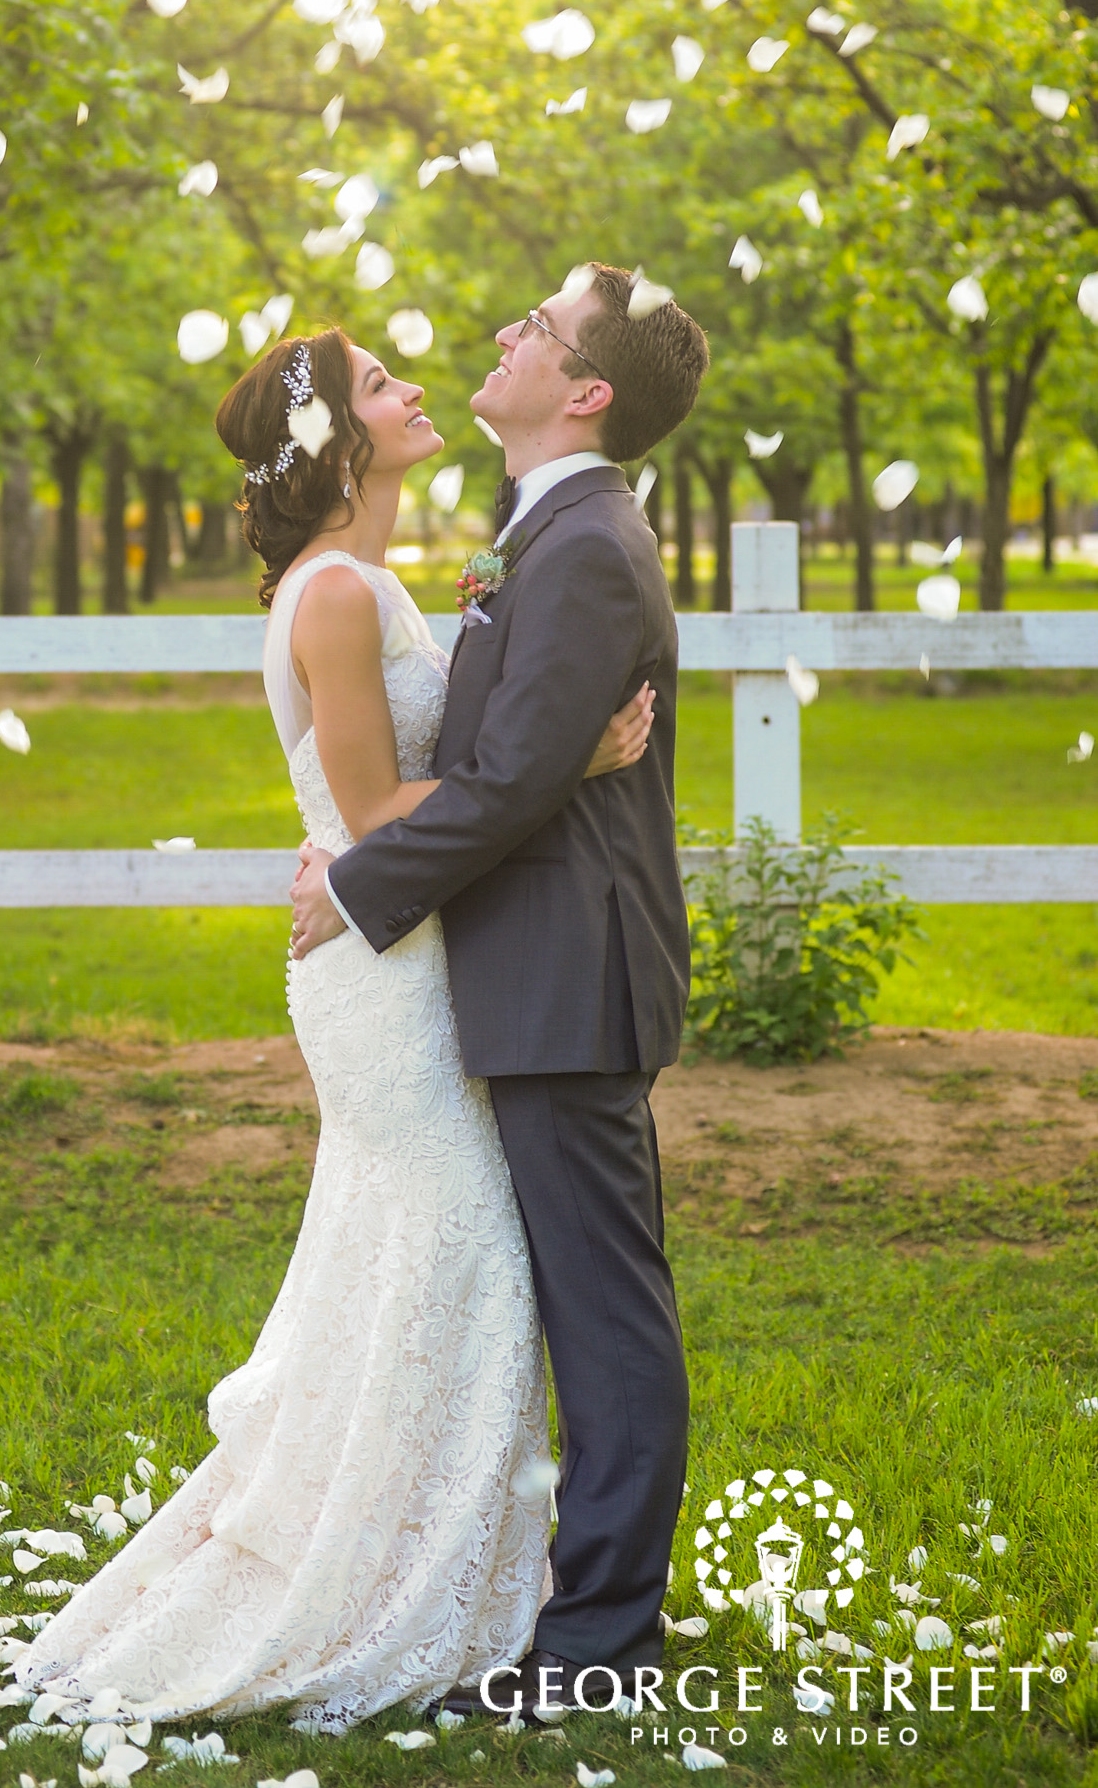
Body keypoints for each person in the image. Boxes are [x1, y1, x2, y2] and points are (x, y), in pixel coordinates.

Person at [11, 320, 654, 1733]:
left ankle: (430, 1560)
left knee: (425, 1258)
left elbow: (404, 798)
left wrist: (517, 770)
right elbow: (371, 817)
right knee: (454, 1252)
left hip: (407, 948)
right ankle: (397, 1580)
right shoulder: (339, 598)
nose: (413, 388)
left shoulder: (366, 580)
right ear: (339, 442)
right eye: (380, 384)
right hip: (386, 973)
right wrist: (566, 763)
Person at [290, 264, 709, 1710]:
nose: (502, 335)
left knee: (607, 1319)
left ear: (585, 391)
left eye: (535, 328)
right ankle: (550, 1604)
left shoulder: (586, 545)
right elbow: (506, 762)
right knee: (583, 1307)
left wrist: (354, 889)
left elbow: (516, 780)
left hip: (570, 972)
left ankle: (601, 1653)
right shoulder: (545, 534)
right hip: (537, 965)